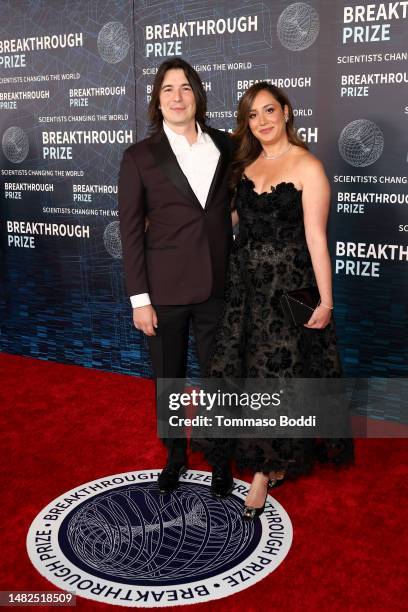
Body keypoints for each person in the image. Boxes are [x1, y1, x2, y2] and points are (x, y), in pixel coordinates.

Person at [199, 82, 353, 519]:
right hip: (245, 289)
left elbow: (316, 238)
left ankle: (265, 471)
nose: (263, 121)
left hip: (292, 288)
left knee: (280, 373)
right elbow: (224, 222)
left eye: (269, 110)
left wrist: (325, 301)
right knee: (244, 370)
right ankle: (274, 453)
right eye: (252, 115)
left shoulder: (308, 166)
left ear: (286, 111)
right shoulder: (242, 167)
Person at [118, 58, 235, 497]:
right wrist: (139, 300)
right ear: (157, 99)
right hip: (163, 292)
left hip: (217, 287)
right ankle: (175, 455)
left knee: (218, 376)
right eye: (168, 89)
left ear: (197, 94)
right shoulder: (139, 157)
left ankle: (221, 457)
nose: (177, 96)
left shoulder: (226, 145)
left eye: (185, 87)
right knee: (168, 377)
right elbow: (130, 233)